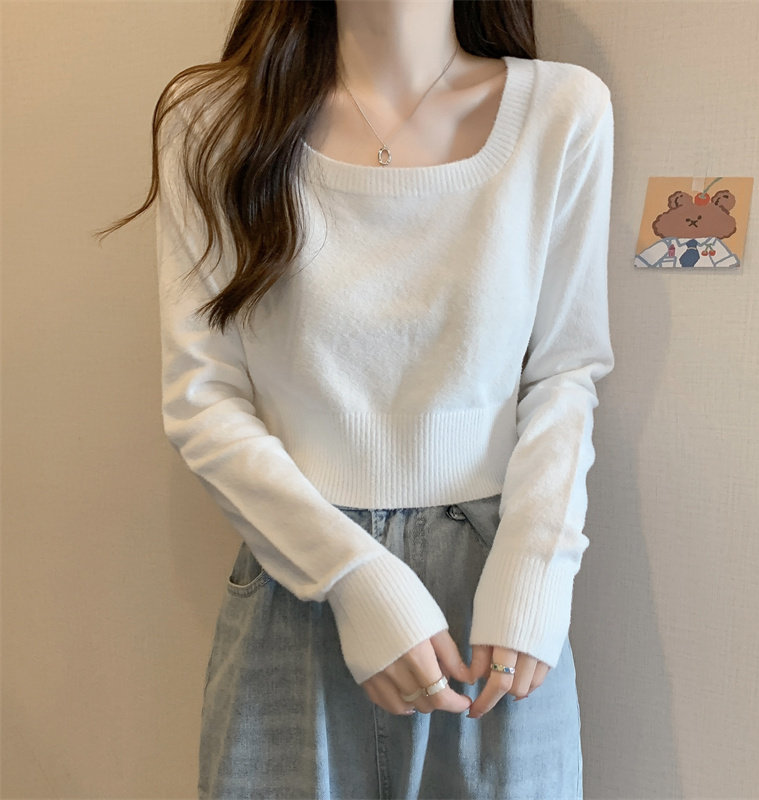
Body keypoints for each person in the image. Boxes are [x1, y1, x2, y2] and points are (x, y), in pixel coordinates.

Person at [99, 1, 615, 797]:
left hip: (499, 593)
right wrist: (351, 576)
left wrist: (537, 572)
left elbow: (564, 371)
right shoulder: (213, 123)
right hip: (295, 570)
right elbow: (203, 396)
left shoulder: (561, 111)